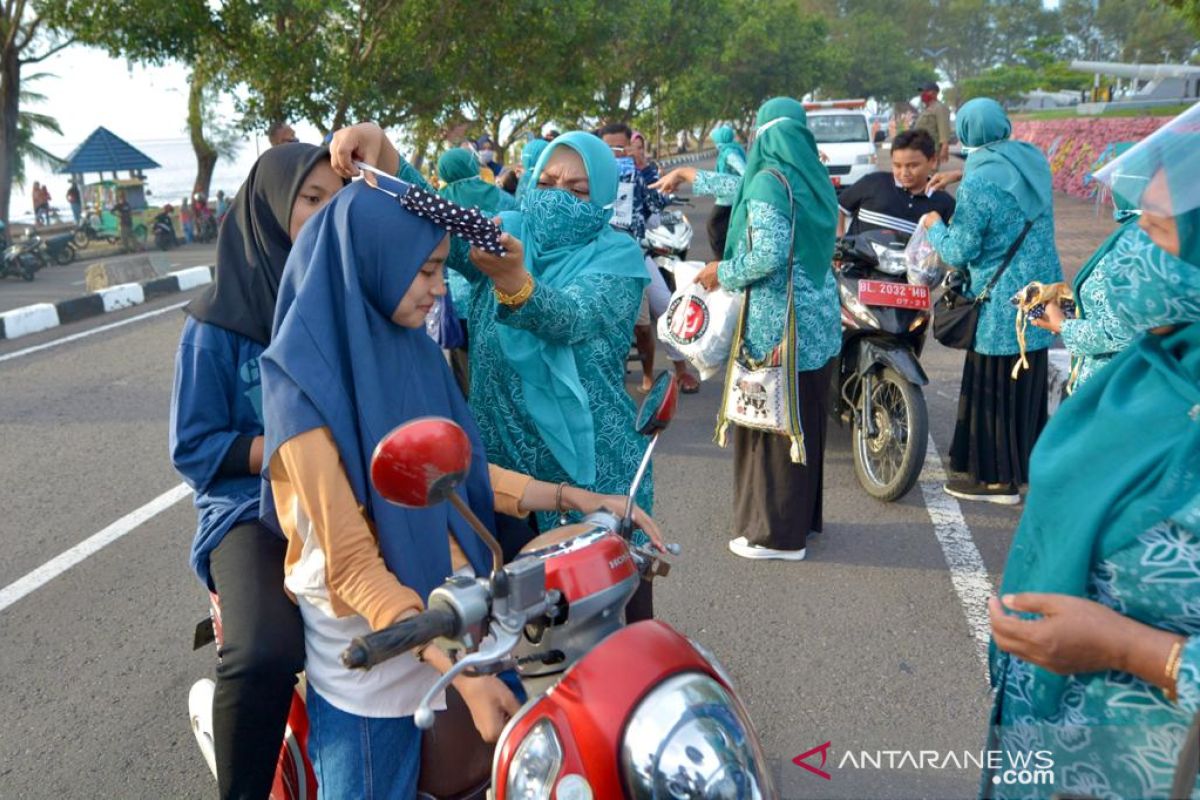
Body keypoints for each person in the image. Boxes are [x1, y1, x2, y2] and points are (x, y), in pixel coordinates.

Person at [260, 182, 661, 797]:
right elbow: (352, 565)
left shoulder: (411, 352)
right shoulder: (299, 391)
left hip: (460, 623)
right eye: (425, 271)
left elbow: (459, 472)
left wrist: (577, 498)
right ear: (376, 262)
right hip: (375, 656)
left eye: (442, 270)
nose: (439, 289)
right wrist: (459, 677)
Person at [982, 112, 1200, 800]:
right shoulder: (1161, 369)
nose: (1136, 257)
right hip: (1051, 750)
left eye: (1163, 235)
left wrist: (1135, 652)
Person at [169, 143, 346, 800]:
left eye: (338, 199)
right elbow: (195, 447)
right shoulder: (217, 323)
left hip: (349, 498)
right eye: (311, 198)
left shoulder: (352, 299)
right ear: (272, 207)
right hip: (251, 509)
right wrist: (285, 449)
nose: (326, 215)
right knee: (264, 653)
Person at [654, 97, 840, 562]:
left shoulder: (767, 184)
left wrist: (723, 271)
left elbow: (768, 255)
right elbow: (742, 187)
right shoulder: (809, 176)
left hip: (778, 322)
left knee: (771, 421)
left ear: (761, 134)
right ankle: (803, 521)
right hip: (816, 321)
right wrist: (692, 176)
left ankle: (774, 537)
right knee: (804, 418)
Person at [920, 98, 1062, 505]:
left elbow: (962, 249)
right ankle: (1024, 466)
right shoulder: (1031, 160)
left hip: (1003, 301)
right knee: (1028, 378)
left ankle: (998, 483)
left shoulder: (979, 183)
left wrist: (933, 226)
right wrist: (959, 174)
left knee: (995, 385)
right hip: (1044, 293)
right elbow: (1006, 178)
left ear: (966, 133)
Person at [597, 121, 699, 394]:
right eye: (609, 149)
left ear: (631, 146)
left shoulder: (640, 176)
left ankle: (679, 370)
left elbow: (655, 206)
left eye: (621, 147)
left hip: (636, 255)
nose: (616, 153)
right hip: (598, 260)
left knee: (664, 306)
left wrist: (645, 175)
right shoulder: (590, 178)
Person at [1028, 196, 1151, 392]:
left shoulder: (1143, 241)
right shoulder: (1147, 230)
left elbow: (1125, 330)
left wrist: (1063, 325)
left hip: (1119, 387)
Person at [837, 128, 955, 239]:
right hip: (858, 260)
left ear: (933, 161)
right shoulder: (873, 183)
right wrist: (838, 240)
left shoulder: (945, 204)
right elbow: (838, 207)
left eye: (913, 166)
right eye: (897, 165)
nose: (904, 173)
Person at [708, 125, 747, 255]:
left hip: (728, 199)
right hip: (726, 198)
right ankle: (725, 256)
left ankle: (721, 258)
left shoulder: (729, 152)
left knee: (713, 226)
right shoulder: (728, 150)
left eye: (716, 140)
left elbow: (744, 171)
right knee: (723, 228)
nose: (715, 143)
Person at [915, 81, 952, 166]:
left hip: (932, 149)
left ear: (934, 93)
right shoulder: (926, 109)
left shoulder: (939, 108)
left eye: (924, 91)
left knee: (929, 175)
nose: (922, 94)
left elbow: (944, 128)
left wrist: (944, 147)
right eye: (921, 92)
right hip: (921, 148)